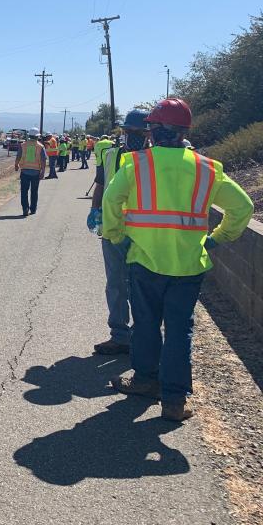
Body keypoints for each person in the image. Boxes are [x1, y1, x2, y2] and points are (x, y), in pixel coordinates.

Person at [102, 98, 253, 421]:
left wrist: (116, 235)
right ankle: (174, 401)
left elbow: (111, 201)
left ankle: (145, 380)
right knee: (179, 330)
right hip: (188, 266)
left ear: (153, 132)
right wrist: (218, 238)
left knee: (145, 324)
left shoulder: (136, 164)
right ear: (184, 132)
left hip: (144, 261)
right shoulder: (207, 168)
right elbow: (243, 208)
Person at [86, 109, 150, 356]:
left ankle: (143, 335)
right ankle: (120, 336)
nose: (132, 135)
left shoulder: (154, 159)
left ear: (148, 133)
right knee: (116, 284)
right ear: (123, 132)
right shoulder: (111, 155)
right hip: (114, 229)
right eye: (129, 131)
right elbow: (101, 183)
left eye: (138, 132)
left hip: (144, 231)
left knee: (142, 285)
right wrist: (94, 210)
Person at [15, 127, 46, 216]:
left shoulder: (23, 145)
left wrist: (16, 165)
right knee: (34, 191)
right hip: (36, 172)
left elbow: (18, 156)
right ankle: (33, 209)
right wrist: (43, 172)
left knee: (24, 191)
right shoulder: (40, 146)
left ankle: (25, 208)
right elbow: (43, 160)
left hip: (24, 171)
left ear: (29, 136)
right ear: (37, 137)